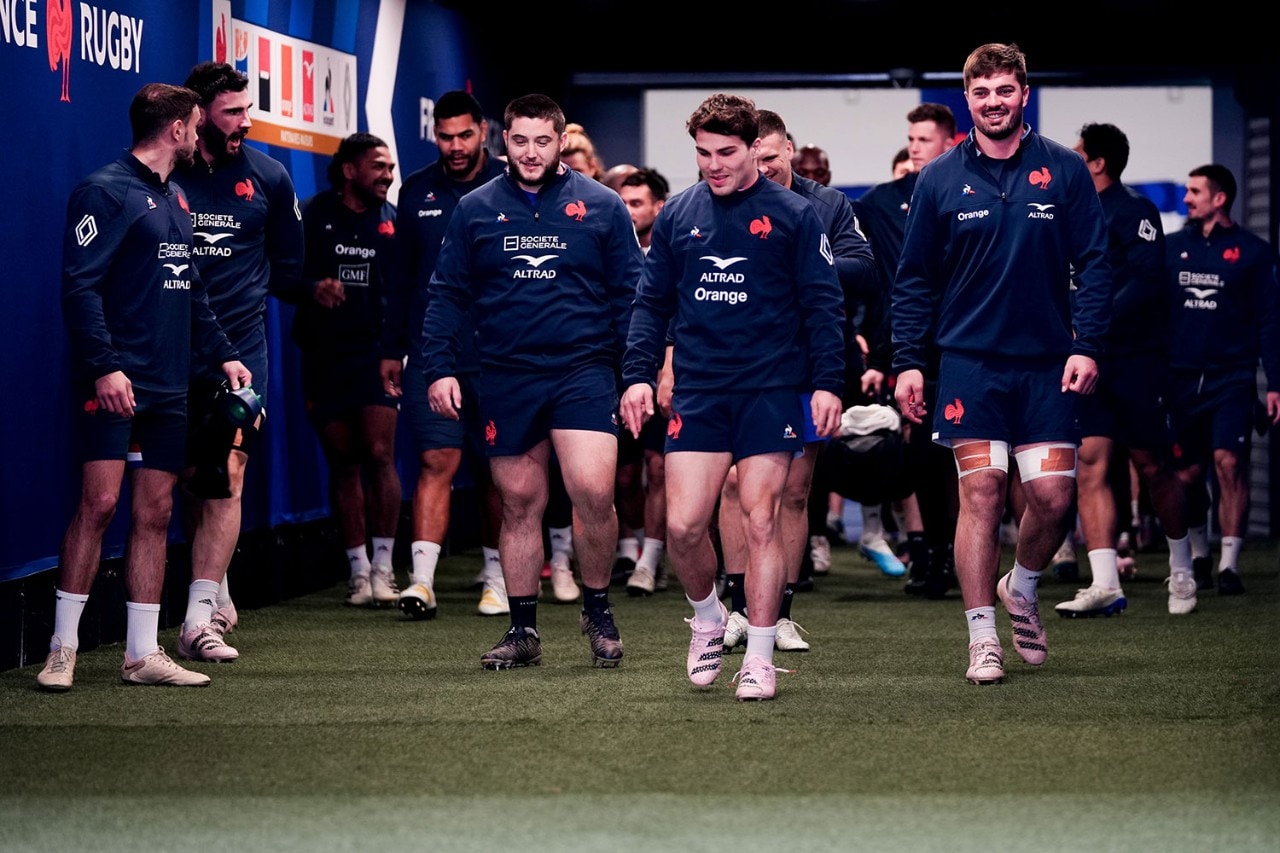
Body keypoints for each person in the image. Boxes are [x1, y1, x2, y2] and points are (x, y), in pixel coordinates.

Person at [891, 43, 1113, 685]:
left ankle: (1023, 585)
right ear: (969, 100)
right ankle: (982, 636)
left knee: (1052, 497)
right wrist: (909, 361)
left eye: (1005, 91)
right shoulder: (938, 178)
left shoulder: (1065, 169)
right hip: (968, 365)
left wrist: (1087, 343)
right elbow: (914, 281)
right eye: (982, 93)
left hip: (1048, 364)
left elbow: (1096, 263)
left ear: (1023, 94)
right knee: (981, 494)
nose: (994, 102)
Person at [620, 94, 846, 701]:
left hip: (772, 389)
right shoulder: (677, 216)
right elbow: (651, 304)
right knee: (685, 525)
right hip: (700, 387)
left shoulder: (796, 216)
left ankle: (762, 655)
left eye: (726, 152)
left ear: (753, 148)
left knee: (761, 520)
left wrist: (828, 384)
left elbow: (825, 308)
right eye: (703, 153)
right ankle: (711, 618)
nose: (714, 164)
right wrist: (639, 374)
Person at [37, 83, 250, 691]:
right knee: (99, 505)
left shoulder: (178, 198)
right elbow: (79, 288)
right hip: (113, 383)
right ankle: (62, 648)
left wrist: (225, 356)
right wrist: (105, 367)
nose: (198, 135)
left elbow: (195, 293)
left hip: (170, 388)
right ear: (179, 128)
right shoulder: (105, 190)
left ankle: (140, 654)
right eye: (194, 125)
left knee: (154, 513)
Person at [421, 94, 643, 669]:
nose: (530, 152)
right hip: (506, 373)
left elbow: (632, 298)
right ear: (503, 140)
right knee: (519, 502)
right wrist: (439, 365)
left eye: (542, 141)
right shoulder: (474, 208)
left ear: (561, 139)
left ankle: (597, 610)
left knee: (594, 491)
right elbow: (448, 293)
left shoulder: (603, 205)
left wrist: (637, 375)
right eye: (519, 141)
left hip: (584, 370)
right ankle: (523, 631)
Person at [718, 109, 876, 654]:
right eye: (751, 159)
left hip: (809, 364)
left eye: (770, 157)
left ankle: (779, 613)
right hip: (736, 362)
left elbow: (865, 268)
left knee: (792, 489)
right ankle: (738, 605)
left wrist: (803, 265)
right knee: (737, 484)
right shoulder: (719, 197)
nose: (761, 168)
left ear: (788, 150)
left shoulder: (827, 205)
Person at [174, 61, 305, 662]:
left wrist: (242, 301)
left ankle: (200, 620)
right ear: (197, 115)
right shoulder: (163, 173)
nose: (244, 123)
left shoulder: (271, 176)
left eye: (247, 110)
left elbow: (289, 266)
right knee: (183, 479)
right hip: (172, 349)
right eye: (232, 113)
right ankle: (216, 585)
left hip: (244, 356)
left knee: (227, 471)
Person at [1053, 123, 1194, 618]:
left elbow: (1147, 281)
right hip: (1087, 362)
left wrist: (1090, 326)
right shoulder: (1070, 212)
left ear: (1097, 163)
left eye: (1078, 154)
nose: (1071, 159)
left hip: (1134, 361)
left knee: (1152, 466)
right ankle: (1106, 582)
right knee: (1089, 464)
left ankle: (1182, 569)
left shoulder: (1134, 210)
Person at [384, 90, 508, 621]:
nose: (454, 147)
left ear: (484, 131)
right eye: (445, 136)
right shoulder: (416, 191)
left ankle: (500, 581)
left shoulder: (514, 183)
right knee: (437, 460)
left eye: (464, 135)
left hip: (503, 355)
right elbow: (400, 279)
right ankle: (423, 583)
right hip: (433, 351)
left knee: (500, 471)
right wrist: (392, 349)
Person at [282, 134, 403, 608]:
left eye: (391, 169)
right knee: (343, 459)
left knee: (378, 452)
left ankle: (385, 568)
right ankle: (357, 571)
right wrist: (313, 289)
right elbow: (281, 276)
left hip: (377, 355)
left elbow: (409, 291)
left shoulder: (395, 222)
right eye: (379, 167)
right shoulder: (312, 215)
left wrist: (399, 346)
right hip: (323, 355)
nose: (387, 176)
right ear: (350, 170)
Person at [853, 102, 958, 598]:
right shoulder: (877, 203)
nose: (915, 146)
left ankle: (958, 558)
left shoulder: (966, 189)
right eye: (911, 138)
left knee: (963, 459)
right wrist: (876, 353)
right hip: (908, 349)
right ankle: (930, 555)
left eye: (924, 138)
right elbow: (870, 282)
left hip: (962, 344)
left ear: (949, 142)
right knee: (919, 459)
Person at [1163, 163, 1280, 608]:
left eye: (1195, 192)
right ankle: (1199, 551)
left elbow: (1271, 322)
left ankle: (1230, 564)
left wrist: (1275, 384)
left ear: (1220, 199)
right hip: (1178, 379)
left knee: (1229, 463)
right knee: (1189, 477)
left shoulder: (1254, 253)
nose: (1187, 199)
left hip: (1232, 377)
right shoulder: (1171, 249)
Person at [613, 168, 672, 596]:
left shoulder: (677, 249)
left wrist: (667, 369)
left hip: (665, 374)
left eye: (638, 203)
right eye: (624, 203)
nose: (630, 211)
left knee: (659, 466)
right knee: (624, 476)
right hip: (615, 373)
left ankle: (650, 561)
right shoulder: (610, 248)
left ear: (659, 207)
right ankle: (629, 547)